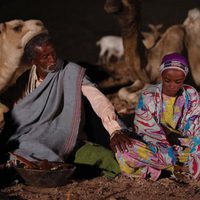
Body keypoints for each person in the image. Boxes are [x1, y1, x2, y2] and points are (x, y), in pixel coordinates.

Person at [0, 33, 129, 176]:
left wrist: (115, 130)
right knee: (16, 156)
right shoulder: (25, 81)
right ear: (33, 61)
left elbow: (97, 99)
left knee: (109, 160)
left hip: (69, 141)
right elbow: (17, 113)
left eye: (53, 53)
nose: (53, 59)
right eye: (46, 57)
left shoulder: (71, 72)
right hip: (31, 140)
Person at [114, 52, 200, 181]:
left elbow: (195, 126)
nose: (172, 85)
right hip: (154, 146)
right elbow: (144, 131)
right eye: (167, 80)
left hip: (182, 147)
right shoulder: (148, 95)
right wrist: (167, 151)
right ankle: (176, 168)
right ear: (161, 75)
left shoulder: (191, 94)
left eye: (178, 82)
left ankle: (165, 168)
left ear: (184, 78)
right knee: (124, 150)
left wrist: (193, 147)